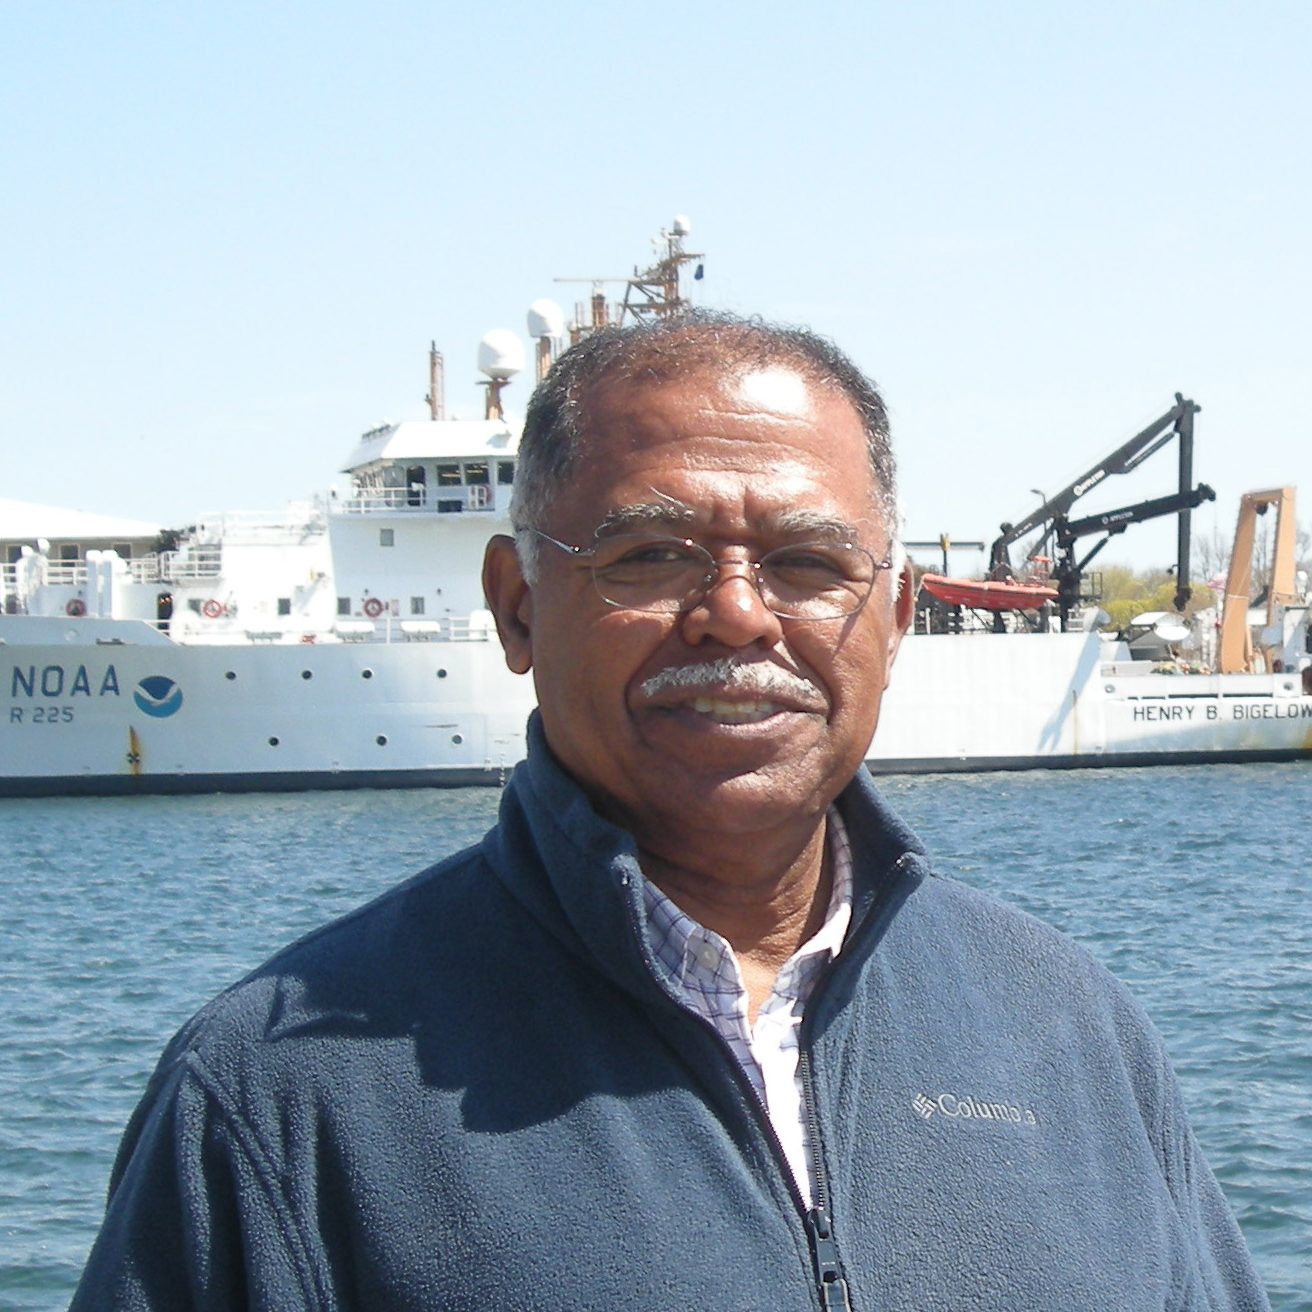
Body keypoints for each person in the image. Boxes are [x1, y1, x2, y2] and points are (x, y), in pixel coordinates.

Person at [72, 312, 1269, 1310]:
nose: (738, 615)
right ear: (517, 606)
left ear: (896, 618)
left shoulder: (1069, 1027)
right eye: (648, 555)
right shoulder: (278, 1094)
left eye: (807, 564)